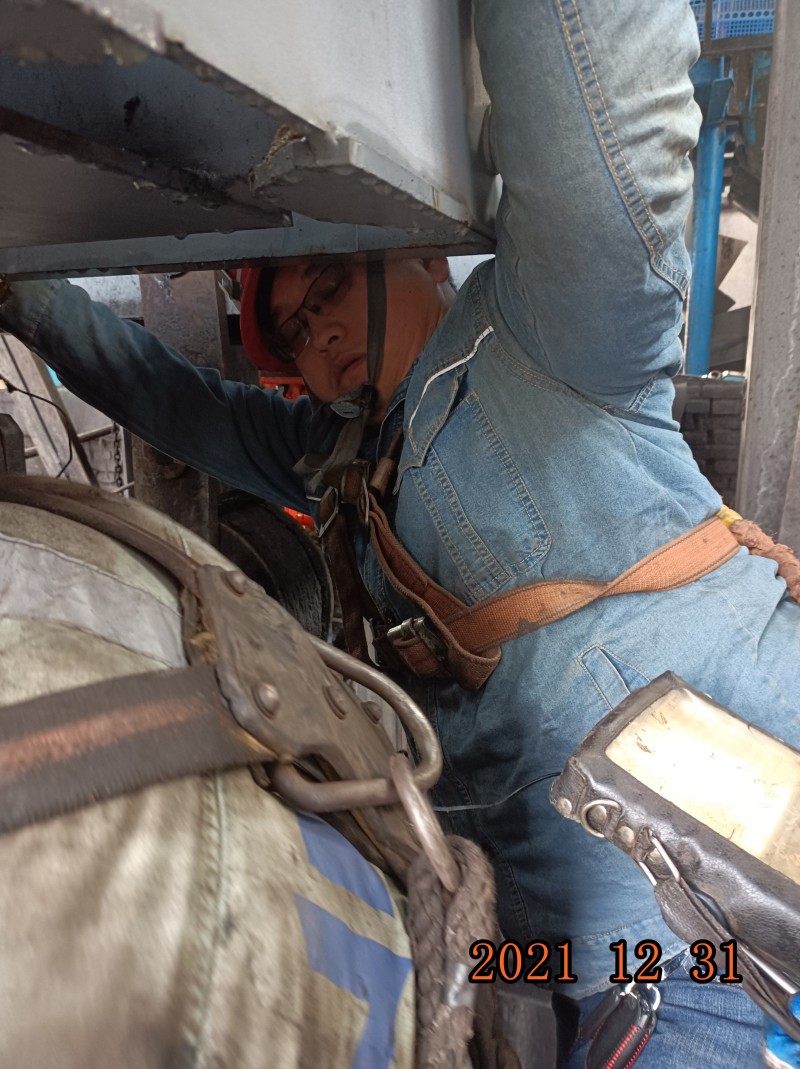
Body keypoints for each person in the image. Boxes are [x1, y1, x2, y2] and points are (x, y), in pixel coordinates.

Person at [1, 0, 798, 1063]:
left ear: (423, 258)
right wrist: (26, 300)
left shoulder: (550, 342)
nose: (317, 332)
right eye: (293, 330)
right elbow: (169, 397)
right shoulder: (343, 462)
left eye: (329, 288)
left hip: (719, 942)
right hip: (546, 963)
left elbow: (604, 127)